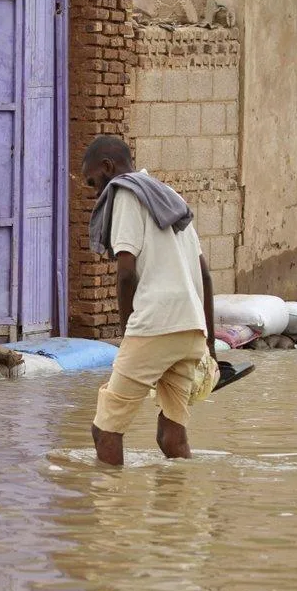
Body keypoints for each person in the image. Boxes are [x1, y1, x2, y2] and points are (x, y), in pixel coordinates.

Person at [83, 135, 217, 466]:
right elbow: (206, 277)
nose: (96, 193)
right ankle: (184, 511)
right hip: (192, 329)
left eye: (94, 183)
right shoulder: (170, 196)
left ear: (108, 168)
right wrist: (210, 348)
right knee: (171, 434)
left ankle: (114, 513)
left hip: (155, 323)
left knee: (105, 429)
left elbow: (126, 272)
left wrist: (129, 329)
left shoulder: (126, 193)